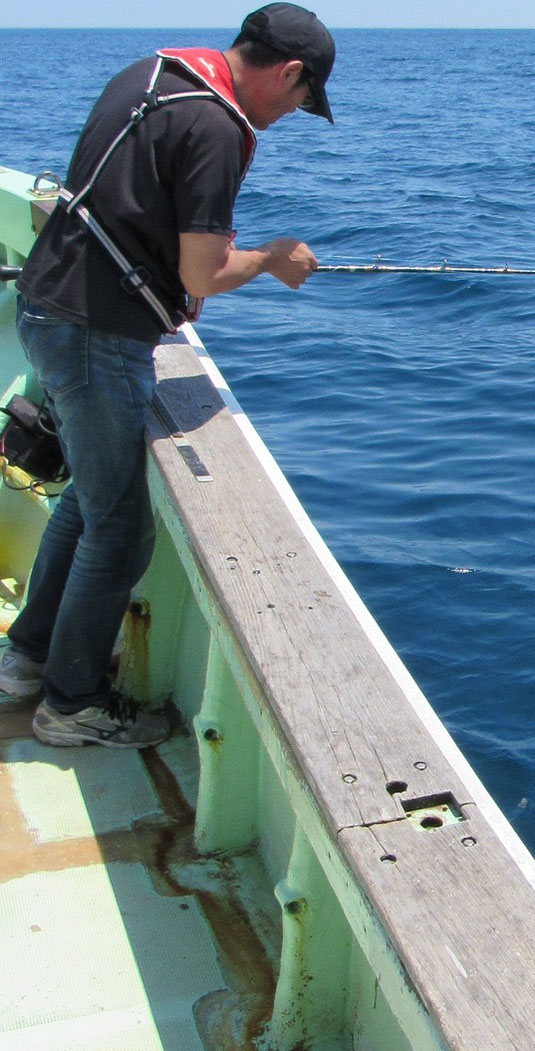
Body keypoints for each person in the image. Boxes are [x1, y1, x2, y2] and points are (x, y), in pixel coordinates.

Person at [0, 4, 335, 748]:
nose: (291, 114)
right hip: (95, 337)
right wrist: (276, 256)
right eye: (302, 99)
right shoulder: (217, 127)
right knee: (120, 530)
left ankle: (23, 661)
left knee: (90, 502)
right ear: (288, 73)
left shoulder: (150, 74)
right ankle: (71, 703)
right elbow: (203, 272)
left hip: (48, 305)